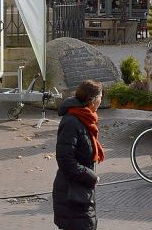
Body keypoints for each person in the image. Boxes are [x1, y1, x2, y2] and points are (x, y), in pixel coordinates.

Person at [52, 80, 104, 230]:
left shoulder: (85, 118)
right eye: (100, 96)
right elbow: (65, 160)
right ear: (92, 100)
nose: (101, 100)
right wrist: (89, 175)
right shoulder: (72, 122)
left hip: (80, 190)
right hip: (72, 194)